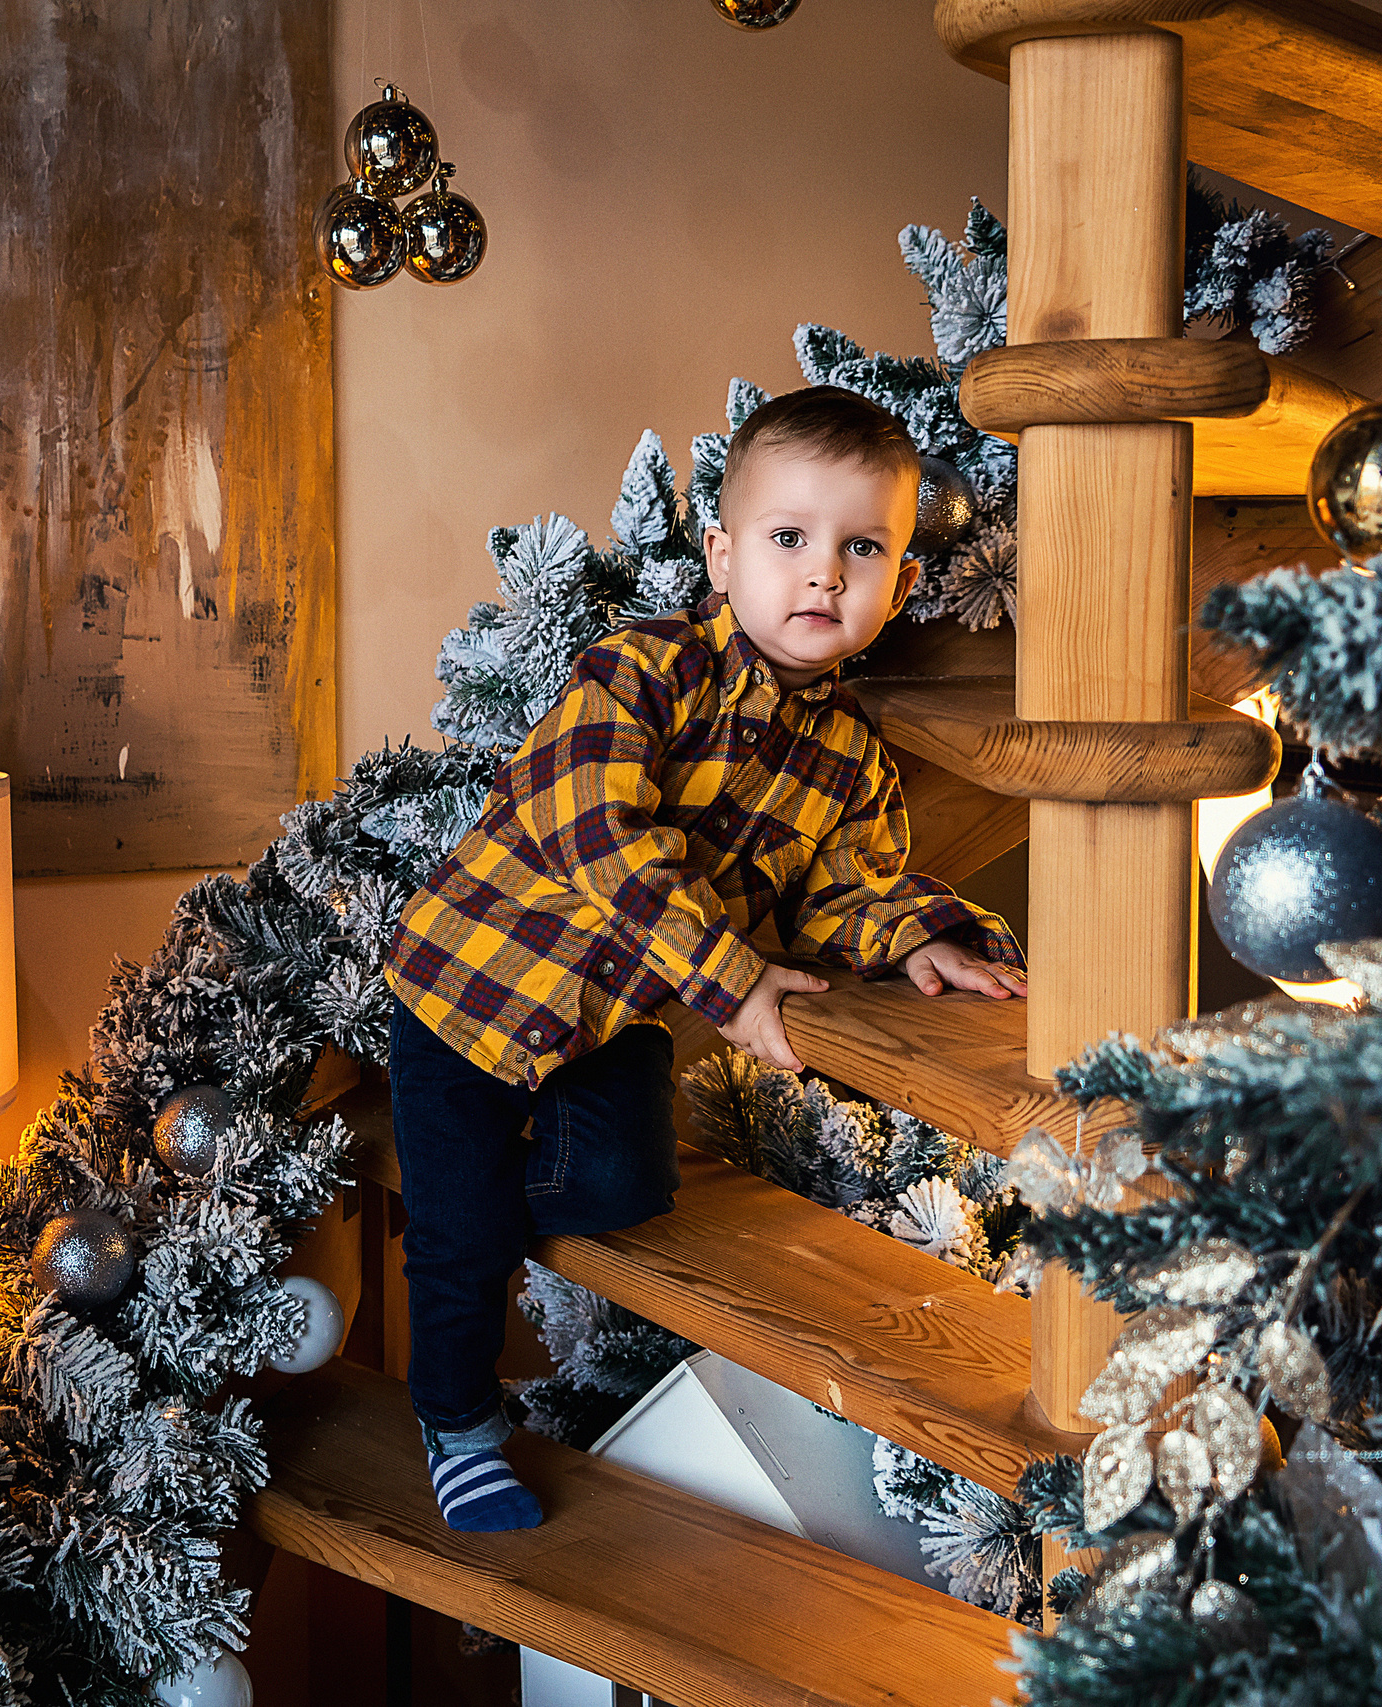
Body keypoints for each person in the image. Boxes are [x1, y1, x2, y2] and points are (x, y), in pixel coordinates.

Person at [380, 385, 1028, 1532]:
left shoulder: (852, 761)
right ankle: (460, 1420)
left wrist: (925, 934)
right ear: (724, 557)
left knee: (626, 1186)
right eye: (789, 540)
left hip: (610, 1020)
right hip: (472, 991)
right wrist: (729, 982)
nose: (822, 574)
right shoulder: (639, 670)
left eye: (860, 548)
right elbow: (593, 832)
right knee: (462, 1234)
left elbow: (846, 891)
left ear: (903, 587)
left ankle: (464, 1197)